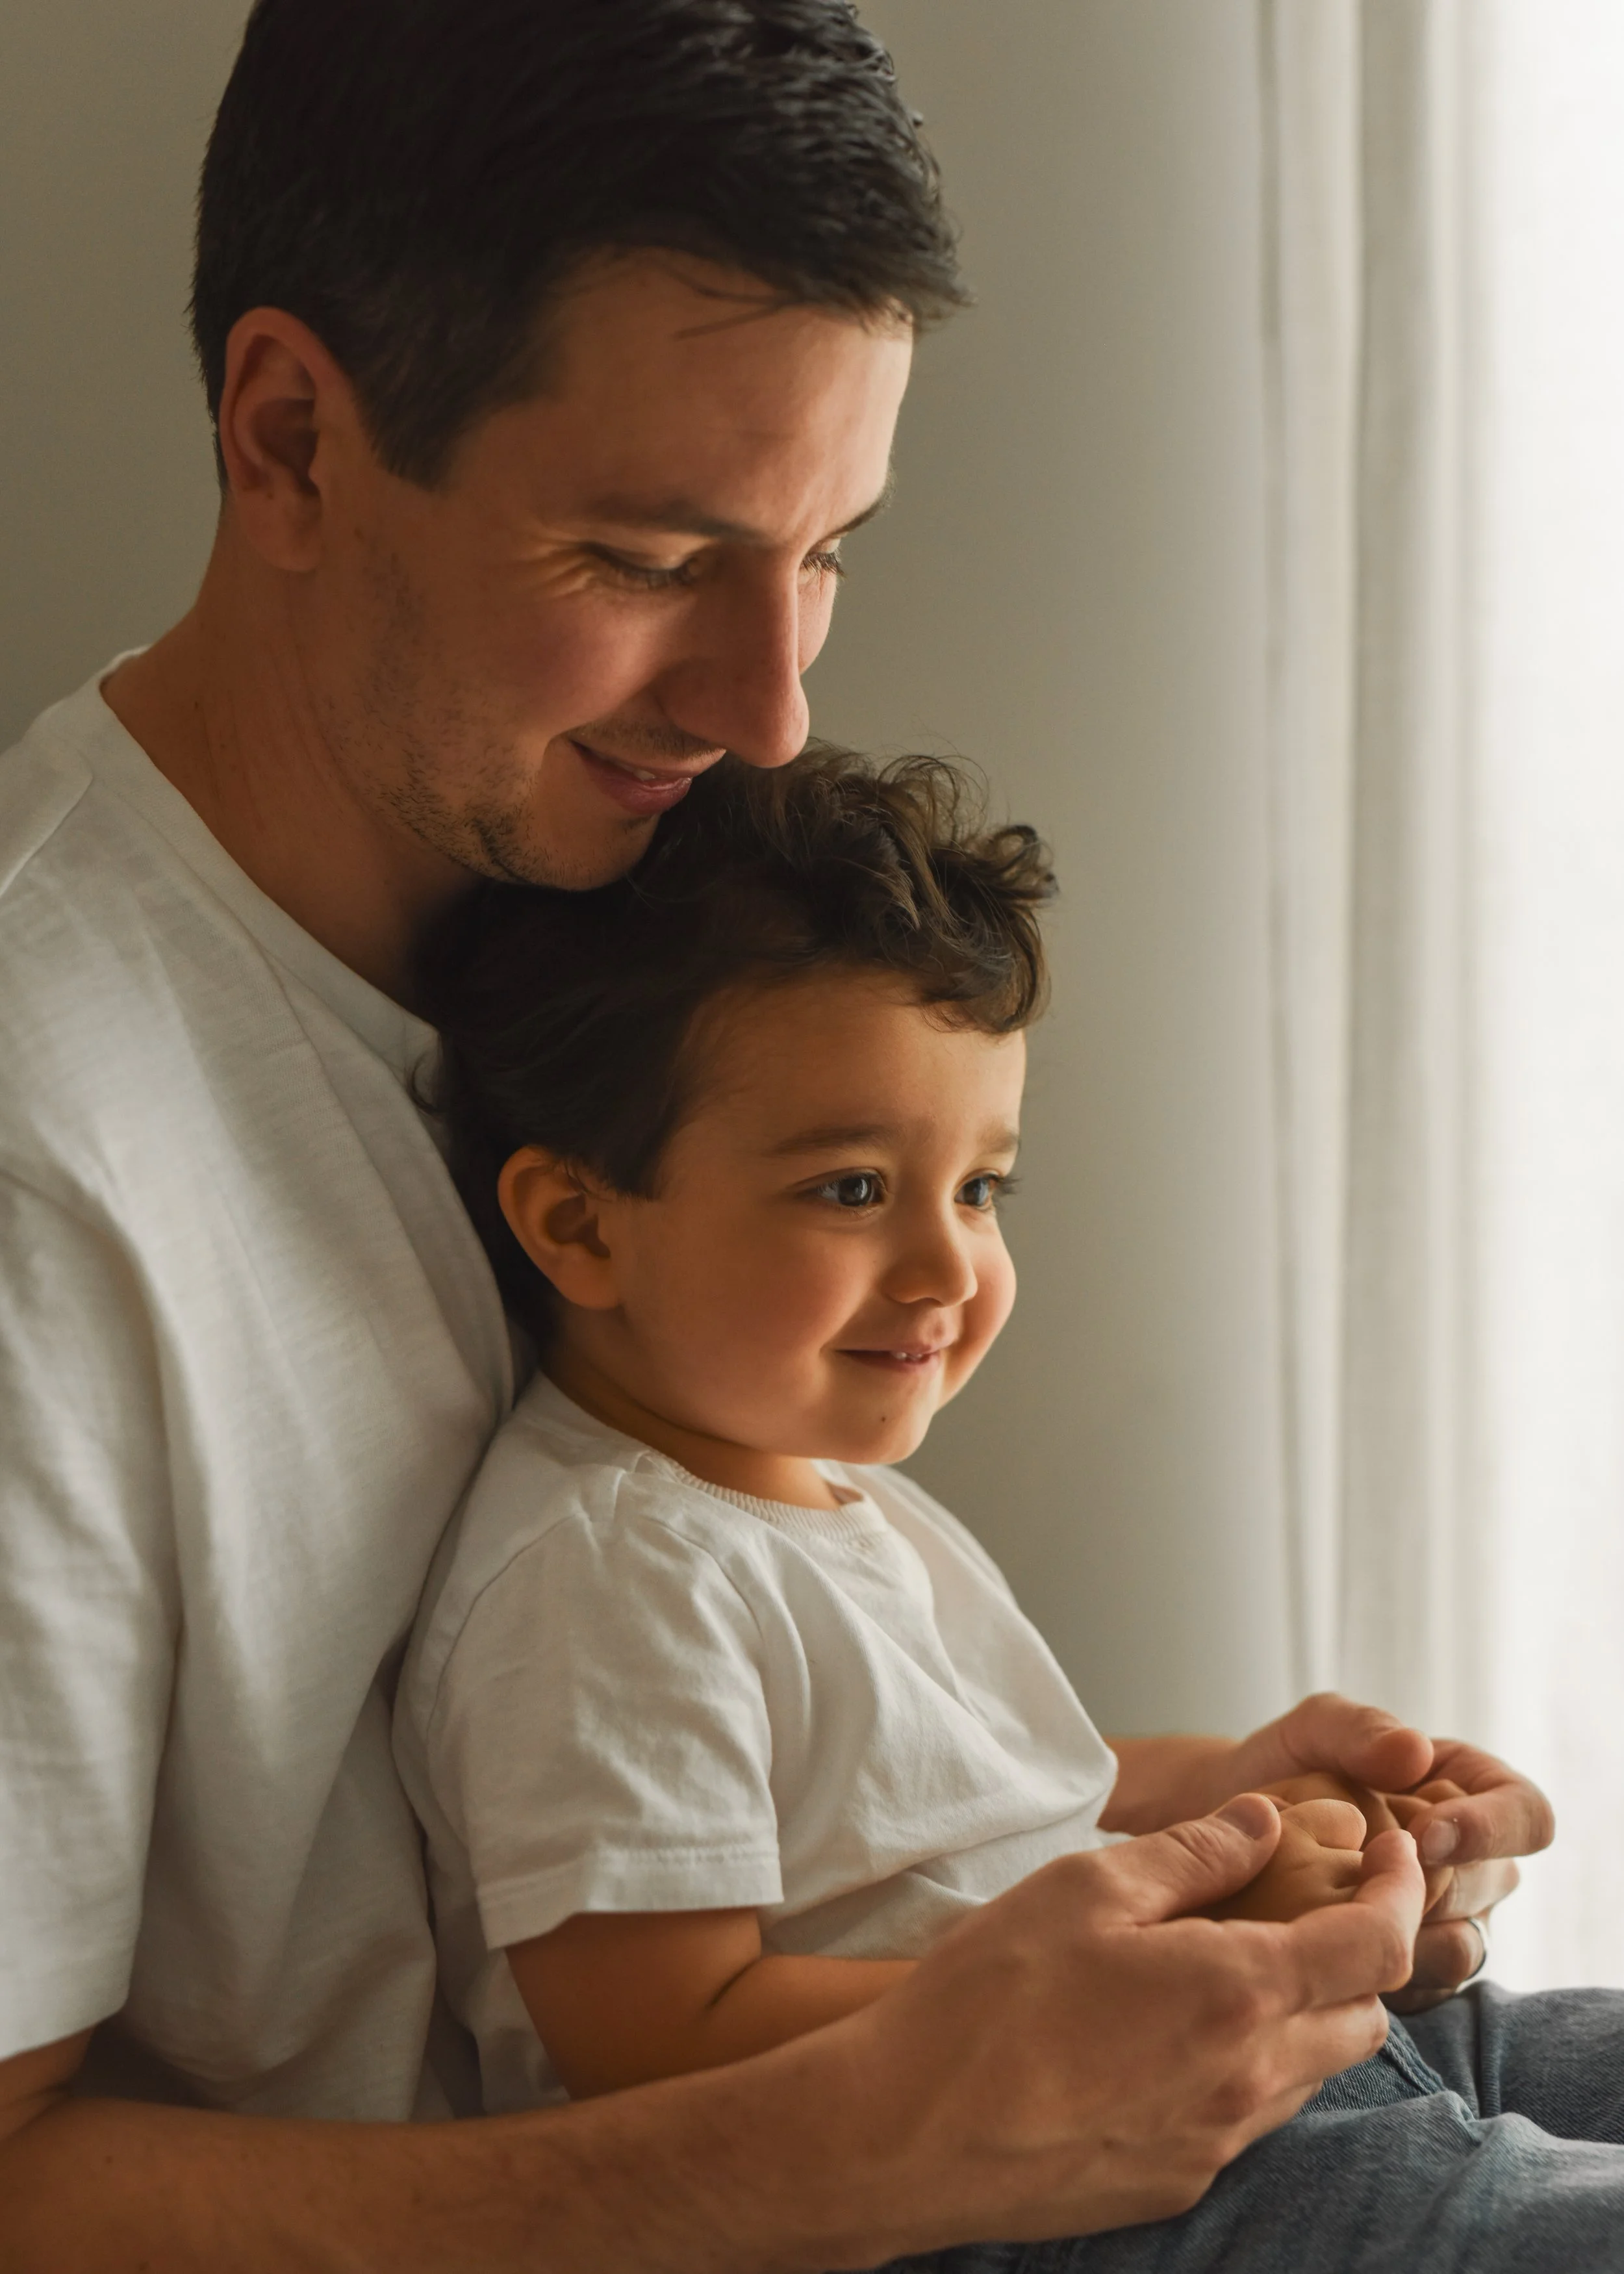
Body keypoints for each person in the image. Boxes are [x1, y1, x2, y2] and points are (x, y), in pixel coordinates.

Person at [0, 3, 1547, 2267]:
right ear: (293, 439)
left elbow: (704, 1745)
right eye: (649, 559)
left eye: (823, 552)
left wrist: (1197, 1830)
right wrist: (876, 2140)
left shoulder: (616, 967)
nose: (772, 707)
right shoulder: (53, 1152)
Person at [397, 746, 1624, 2271]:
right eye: (852, 1189)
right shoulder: (607, 1576)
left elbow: (942, 1808)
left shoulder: (814, 1492)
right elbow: (661, 2041)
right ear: (579, 1222)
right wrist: (1196, 1937)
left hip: (1211, 2078)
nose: (945, 1268)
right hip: (1019, 2203)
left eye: (980, 1188)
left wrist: (1234, 1794)